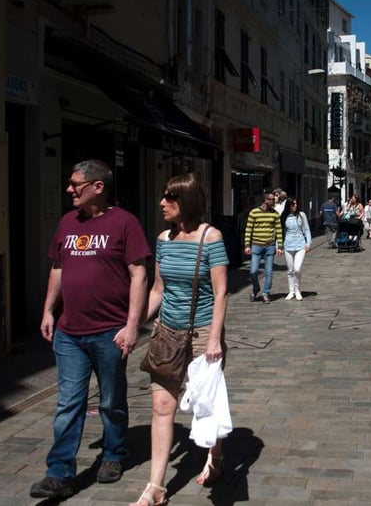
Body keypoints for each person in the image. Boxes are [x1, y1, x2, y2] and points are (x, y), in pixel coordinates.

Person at [30, 160, 151, 500]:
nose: (69, 190)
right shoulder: (68, 222)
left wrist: (132, 326)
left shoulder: (125, 222)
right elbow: (58, 267)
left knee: (111, 399)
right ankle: (59, 473)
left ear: (98, 187)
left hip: (110, 331)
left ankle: (113, 454)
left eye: (76, 184)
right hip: (70, 332)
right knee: (68, 402)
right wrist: (48, 310)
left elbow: (139, 275)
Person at [129, 174, 230, 506]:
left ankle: (215, 457)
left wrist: (214, 338)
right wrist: (135, 324)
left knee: (205, 405)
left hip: (202, 335)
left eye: (169, 197)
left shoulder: (210, 237)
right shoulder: (163, 238)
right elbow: (159, 288)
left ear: (185, 201)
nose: (161, 203)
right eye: (162, 197)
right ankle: (155, 487)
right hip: (167, 334)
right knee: (161, 406)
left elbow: (221, 293)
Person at [244, 191, 283, 303]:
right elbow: (248, 229)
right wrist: (247, 245)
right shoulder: (254, 213)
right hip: (256, 245)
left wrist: (279, 246)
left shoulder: (275, 214)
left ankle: (266, 293)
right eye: (272, 199)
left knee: (269, 272)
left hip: (270, 246)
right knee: (253, 271)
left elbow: (279, 231)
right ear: (266, 200)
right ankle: (256, 288)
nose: (274, 201)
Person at [280, 197, 312, 300]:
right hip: (288, 245)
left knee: (297, 269)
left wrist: (308, 243)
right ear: (288, 206)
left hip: (300, 244)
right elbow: (280, 232)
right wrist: (278, 246)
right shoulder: (284, 217)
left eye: (296, 204)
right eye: (293, 204)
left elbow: (307, 229)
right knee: (290, 270)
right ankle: (291, 291)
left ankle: (297, 290)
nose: (295, 206)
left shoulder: (301, 215)